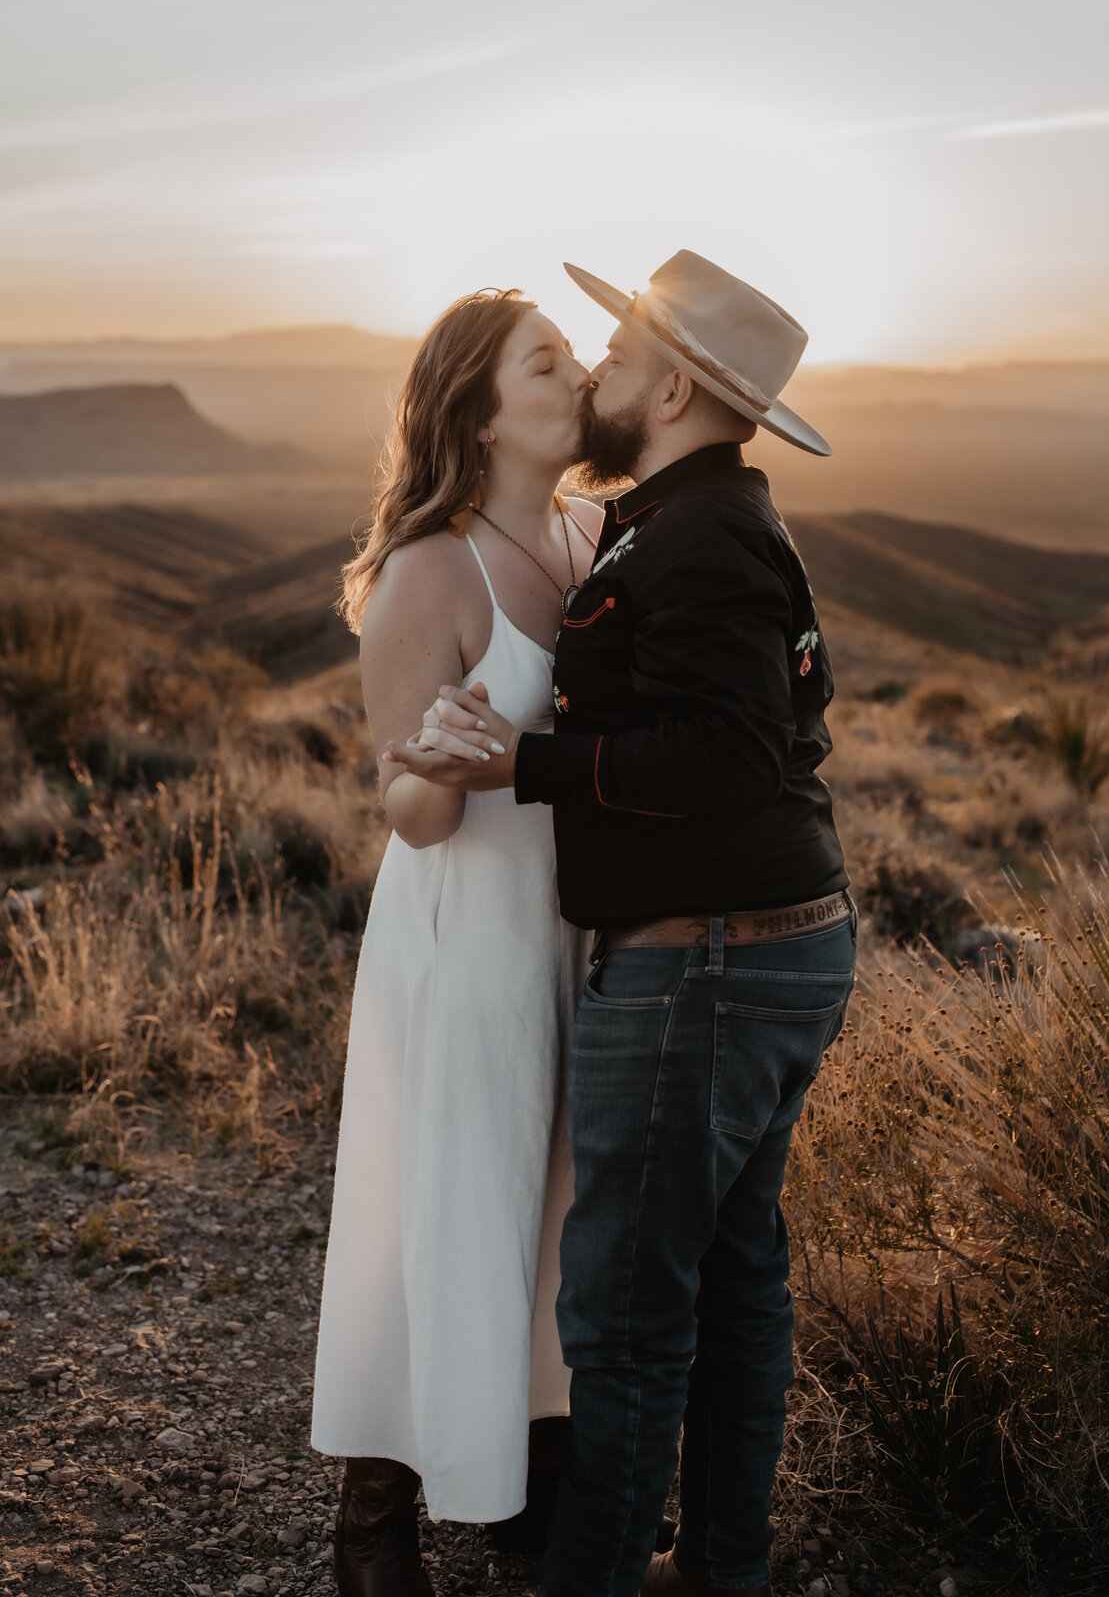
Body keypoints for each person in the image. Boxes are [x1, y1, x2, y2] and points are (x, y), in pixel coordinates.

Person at [397, 250, 855, 1597]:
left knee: (625, 1315)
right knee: (730, 1281)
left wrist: (522, 768)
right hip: (764, 944)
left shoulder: (700, 533)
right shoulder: (687, 520)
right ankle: (721, 1569)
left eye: (615, 354)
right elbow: (794, 722)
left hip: (704, 965)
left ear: (668, 386)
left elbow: (731, 757)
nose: (597, 373)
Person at [310, 287, 601, 1596]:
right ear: (480, 413)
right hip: (466, 947)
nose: (581, 372)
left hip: (578, 942)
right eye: (548, 362)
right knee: (451, 1207)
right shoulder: (432, 573)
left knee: (553, 1214)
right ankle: (375, 1514)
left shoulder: (594, 531)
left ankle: (516, 1491)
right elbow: (410, 814)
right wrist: (442, 764)